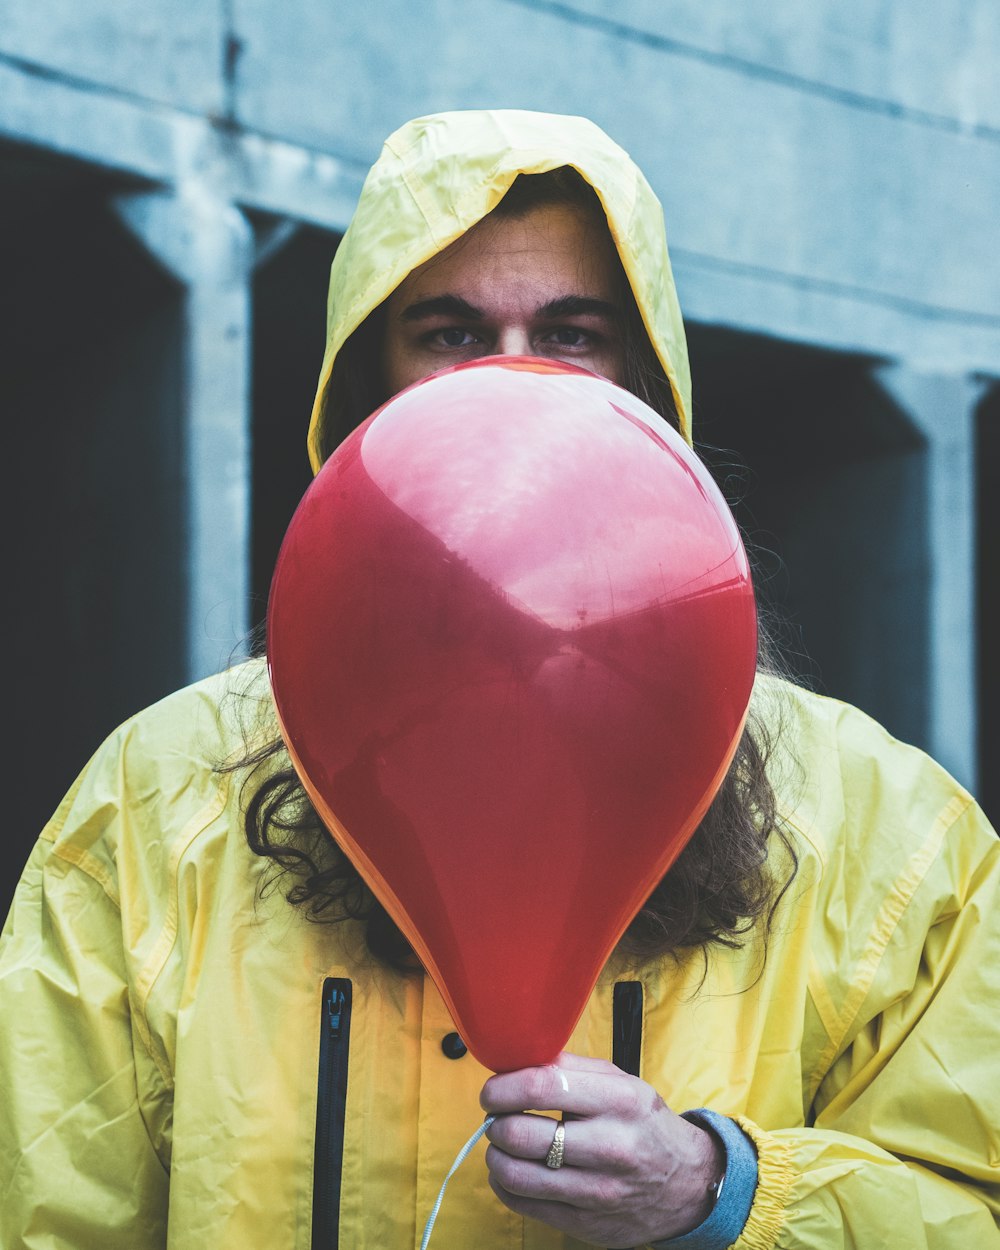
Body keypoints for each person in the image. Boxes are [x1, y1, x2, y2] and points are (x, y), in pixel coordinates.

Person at [1, 109, 998, 1250]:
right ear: (366, 389)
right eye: (453, 334)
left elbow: (970, 1202)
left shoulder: (883, 830)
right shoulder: (152, 804)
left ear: (649, 385)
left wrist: (718, 1190)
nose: (518, 382)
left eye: (572, 333)